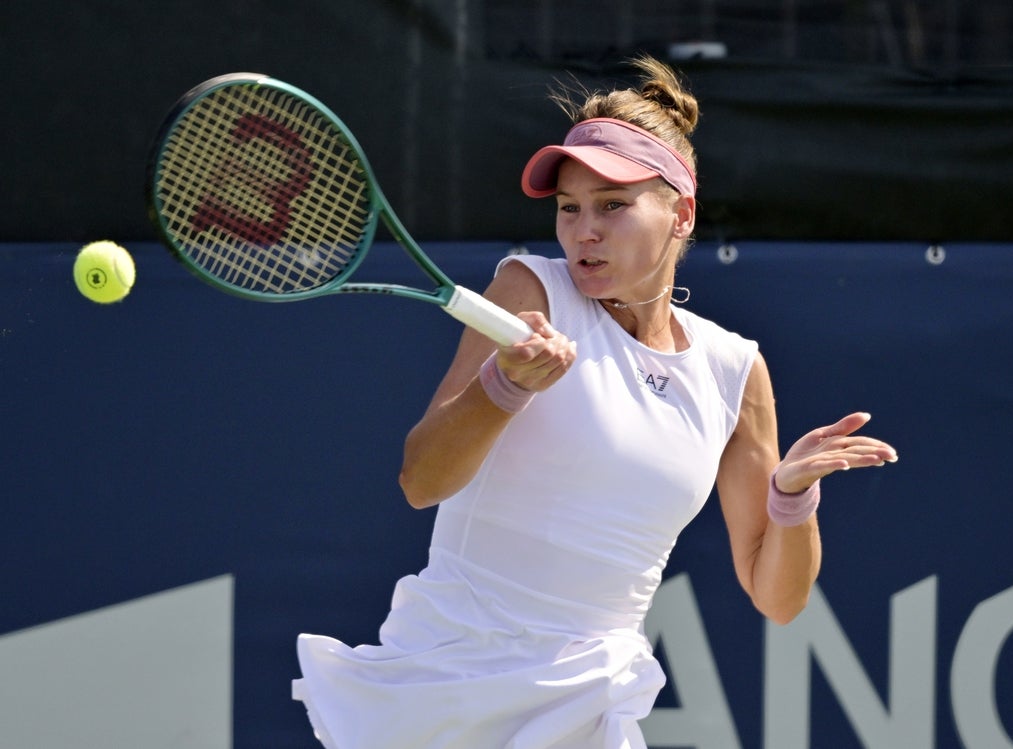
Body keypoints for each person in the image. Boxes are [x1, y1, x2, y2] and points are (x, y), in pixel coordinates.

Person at [292, 55, 897, 749]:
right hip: (450, 686)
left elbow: (779, 598)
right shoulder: (530, 291)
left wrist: (790, 498)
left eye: (613, 205)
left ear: (681, 214)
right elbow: (421, 481)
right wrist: (505, 387)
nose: (585, 230)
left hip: (588, 703)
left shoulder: (734, 369)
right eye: (569, 208)